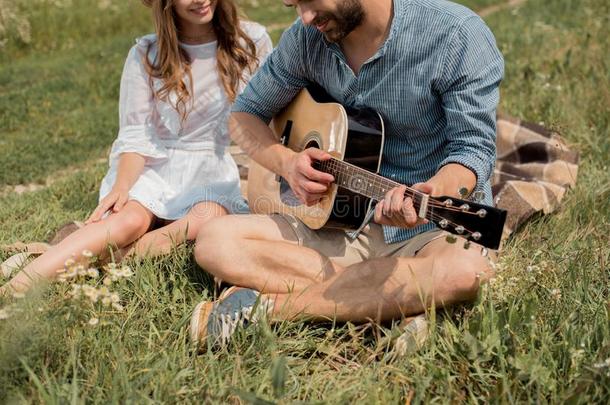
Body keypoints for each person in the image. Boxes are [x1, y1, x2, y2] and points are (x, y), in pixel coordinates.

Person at [190, 0, 504, 348]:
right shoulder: (307, 38)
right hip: (337, 220)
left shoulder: (455, 33)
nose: (305, 18)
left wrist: (431, 193)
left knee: (465, 272)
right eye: (294, 4)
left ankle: (271, 309)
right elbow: (244, 116)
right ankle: (391, 302)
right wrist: (287, 164)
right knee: (213, 240)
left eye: (310, 1)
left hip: (430, 227)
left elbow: (472, 150)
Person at [0, 0, 272, 295]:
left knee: (208, 218)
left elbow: (270, 112)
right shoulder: (146, 54)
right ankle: (15, 288)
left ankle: (81, 256)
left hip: (209, 168)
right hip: (154, 163)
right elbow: (136, 135)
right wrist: (122, 186)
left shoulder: (250, 41)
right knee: (129, 221)